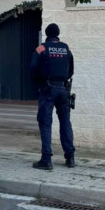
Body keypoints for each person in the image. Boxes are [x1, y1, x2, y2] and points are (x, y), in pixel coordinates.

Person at [30, 23, 75, 170]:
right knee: (65, 123)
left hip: (47, 89)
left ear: (47, 33)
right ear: (58, 34)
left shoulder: (41, 48)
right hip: (63, 88)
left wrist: (40, 83)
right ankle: (70, 158)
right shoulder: (65, 48)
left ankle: (46, 159)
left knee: (45, 123)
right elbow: (71, 70)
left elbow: (33, 69)